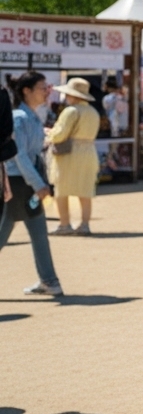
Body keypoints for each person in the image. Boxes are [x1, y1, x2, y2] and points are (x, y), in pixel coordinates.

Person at [2, 72, 63, 295]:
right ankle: (49, 280)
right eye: (41, 87)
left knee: (37, 231)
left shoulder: (31, 116)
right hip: (19, 183)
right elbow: (20, 157)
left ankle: (50, 280)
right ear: (26, 91)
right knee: (9, 229)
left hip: (26, 183)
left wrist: (40, 182)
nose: (46, 91)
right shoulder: (19, 118)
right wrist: (38, 184)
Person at [48, 78, 101, 236]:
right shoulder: (93, 112)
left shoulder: (71, 111)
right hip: (89, 151)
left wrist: (49, 133)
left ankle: (65, 224)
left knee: (61, 190)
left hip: (70, 153)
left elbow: (60, 134)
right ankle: (85, 225)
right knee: (85, 190)